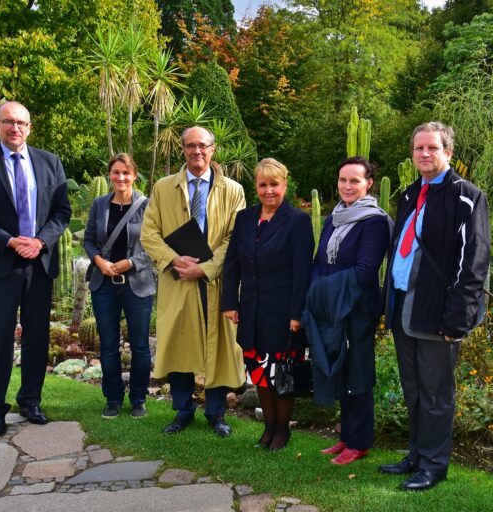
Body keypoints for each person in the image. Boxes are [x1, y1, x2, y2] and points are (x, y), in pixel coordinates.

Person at [378, 122, 490, 490]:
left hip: (437, 313)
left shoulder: (467, 197)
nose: (424, 154)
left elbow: (474, 265)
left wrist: (457, 320)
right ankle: (416, 454)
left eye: (432, 148)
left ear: (448, 153)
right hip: (403, 311)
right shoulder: (410, 194)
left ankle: (434, 465)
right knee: (413, 389)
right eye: (418, 149)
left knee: (436, 394)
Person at [0, 101, 72, 436]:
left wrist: (40, 242)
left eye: (21, 123)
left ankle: (30, 401)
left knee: (37, 337)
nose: (15, 128)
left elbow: (62, 212)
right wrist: (10, 241)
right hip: (2, 264)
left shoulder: (49, 162)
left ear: (30, 127)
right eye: (8, 122)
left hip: (39, 264)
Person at [141, 126, 246, 437]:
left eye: (202, 146)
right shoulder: (163, 188)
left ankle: (216, 414)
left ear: (213, 150)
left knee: (219, 346)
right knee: (181, 344)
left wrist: (208, 267)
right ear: (182, 150)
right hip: (178, 278)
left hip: (215, 281)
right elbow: (149, 233)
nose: (196, 151)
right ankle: (183, 411)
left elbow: (234, 237)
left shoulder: (233, 190)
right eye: (190, 146)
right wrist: (174, 259)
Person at [302, 157, 391, 464]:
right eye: (343, 180)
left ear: (369, 184)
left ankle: (361, 441)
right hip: (331, 307)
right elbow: (319, 262)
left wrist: (321, 289)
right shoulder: (333, 218)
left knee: (359, 372)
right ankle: (346, 437)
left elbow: (365, 272)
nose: (348, 186)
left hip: (358, 308)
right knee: (339, 367)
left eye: (355, 180)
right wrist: (315, 290)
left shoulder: (375, 222)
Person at [221, 158, 314, 451]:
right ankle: (268, 428)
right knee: (259, 372)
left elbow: (303, 271)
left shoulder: (298, 221)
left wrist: (297, 314)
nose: (269, 190)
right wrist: (230, 303)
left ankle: (282, 431)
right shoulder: (245, 219)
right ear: (256, 187)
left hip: (283, 313)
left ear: (284, 185)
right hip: (251, 311)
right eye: (263, 184)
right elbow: (232, 263)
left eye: (274, 184)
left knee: (280, 372)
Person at [83, 153, 156, 419]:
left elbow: (154, 246)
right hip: (103, 283)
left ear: (134, 175)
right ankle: (113, 398)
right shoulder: (99, 205)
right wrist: (100, 261)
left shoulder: (148, 206)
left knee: (139, 345)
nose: (121, 177)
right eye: (116, 172)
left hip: (137, 284)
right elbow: (89, 239)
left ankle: (138, 398)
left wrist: (130, 263)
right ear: (110, 176)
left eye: (126, 172)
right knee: (109, 345)